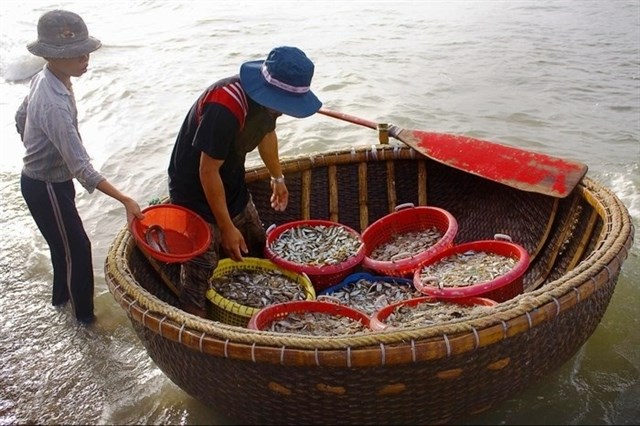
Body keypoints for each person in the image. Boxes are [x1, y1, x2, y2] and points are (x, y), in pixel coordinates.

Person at [168, 46, 322, 318]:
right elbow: (207, 171)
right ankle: (199, 329)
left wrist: (277, 177)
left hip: (231, 181)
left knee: (256, 244)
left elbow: (266, 135)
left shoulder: (267, 106)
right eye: (284, 105)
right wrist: (225, 227)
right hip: (193, 191)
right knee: (200, 270)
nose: (284, 112)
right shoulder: (225, 105)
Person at [15, 10, 144, 325]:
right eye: (74, 54)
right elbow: (82, 167)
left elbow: (21, 117)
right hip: (46, 186)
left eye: (85, 51)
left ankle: (60, 305)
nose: (84, 58)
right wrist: (126, 199)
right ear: (49, 55)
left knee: (63, 250)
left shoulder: (47, 77)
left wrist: (35, 146)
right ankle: (85, 324)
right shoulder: (54, 103)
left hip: (45, 182)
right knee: (78, 250)